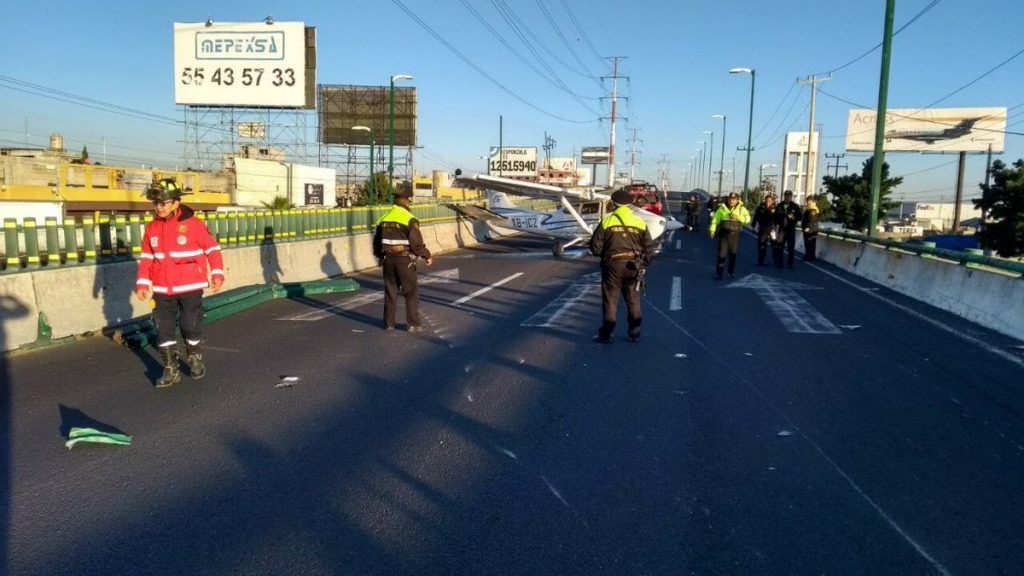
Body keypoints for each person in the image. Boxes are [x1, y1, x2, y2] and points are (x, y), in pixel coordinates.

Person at [135, 178, 225, 388]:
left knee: (189, 325)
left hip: (189, 287)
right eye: (155, 203)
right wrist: (142, 283)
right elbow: (147, 258)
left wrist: (217, 274)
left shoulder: (193, 225)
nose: (158, 207)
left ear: (175, 203)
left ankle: (194, 355)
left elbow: (212, 249)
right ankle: (170, 369)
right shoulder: (151, 228)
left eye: (162, 203)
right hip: (161, 289)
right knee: (163, 329)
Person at [589, 188, 654, 344]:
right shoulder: (640, 222)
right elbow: (649, 249)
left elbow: (595, 247)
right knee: (633, 299)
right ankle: (634, 331)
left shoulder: (607, 221)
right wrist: (643, 263)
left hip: (613, 266)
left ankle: (607, 334)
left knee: (611, 300)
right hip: (633, 266)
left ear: (613, 205)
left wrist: (605, 256)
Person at [373, 187, 433, 332]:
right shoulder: (409, 219)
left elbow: (376, 244)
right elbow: (416, 244)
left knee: (390, 292)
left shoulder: (383, 218)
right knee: (410, 292)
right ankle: (413, 325)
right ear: (406, 201)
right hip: (404, 261)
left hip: (388, 260)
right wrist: (427, 255)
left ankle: (389, 324)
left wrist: (382, 257)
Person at [708, 192, 752, 279]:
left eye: (734, 199)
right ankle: (719, 273)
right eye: (730, 199)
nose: (731, 201)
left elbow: (748, 219)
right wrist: (712, 229)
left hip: (735, 235)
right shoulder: (722, 208)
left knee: (733, 254)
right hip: (723, 234)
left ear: (737, 200)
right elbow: (715, 219)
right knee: (721, 254)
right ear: (728, 199)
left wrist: (739, 218)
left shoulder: (741, 209)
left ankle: (730, 272)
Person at [751, 194, 783, 267]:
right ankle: (761, 260)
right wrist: (753, 225)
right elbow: (756, 217)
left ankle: (776, 260)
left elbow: (779, 217)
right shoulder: (761, 208)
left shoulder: (776, 208)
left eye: (769, 201)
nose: (768, 202)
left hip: (772, 229)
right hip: (763, 229)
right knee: (761, 245)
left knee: (774, 245)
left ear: (772, 201)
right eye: (766, 201)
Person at [778, 190, 802, 268]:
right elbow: (775, 216)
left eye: (789, 196)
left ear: (791, 197)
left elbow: (800, 216)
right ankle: (780, 262)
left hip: (791, 229)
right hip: (782, 229)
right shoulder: (779, 205)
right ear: (784, 196)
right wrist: (779, 221)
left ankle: (790, 263)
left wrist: (793, 218)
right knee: (780, 246)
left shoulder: (795, 206)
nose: (787, 198)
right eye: (786, 196)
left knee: (791, 247)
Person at [802, 196, 820, 262]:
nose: (808, 202)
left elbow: (812, 219)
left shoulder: (813, 209)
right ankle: (809, 256)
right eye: (807, 201)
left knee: (810, 243)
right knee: (808, 243)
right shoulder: (808, 208)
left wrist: (808, 227)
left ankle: (809, 257)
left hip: (811, 230)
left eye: (809, 201)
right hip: (809, 229)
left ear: (812, 201)